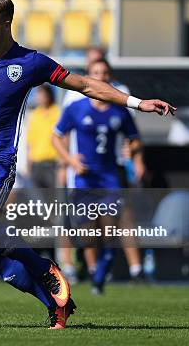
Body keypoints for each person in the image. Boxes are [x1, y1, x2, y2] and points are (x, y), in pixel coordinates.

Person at [0, 0, 175, 329]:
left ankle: (44, 267)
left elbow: (85, 85)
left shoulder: (30, 63)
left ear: (6, 23)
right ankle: (55, 304)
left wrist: (137, 103)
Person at [51, 58, 146, 294]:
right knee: (87, 231)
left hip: (109, 177)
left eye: (104, 73)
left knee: (110, 228)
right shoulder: (76, 107)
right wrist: (71, 160)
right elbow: (56, 137)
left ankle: (103, 272)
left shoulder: (119, 110)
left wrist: (132, 150)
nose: (101, 77)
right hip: (83, 178)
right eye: (96, 73)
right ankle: (95, 273)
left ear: (110, 77)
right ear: (90, 76)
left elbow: (135, 139)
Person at [26, 84, 61, 189]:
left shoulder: (57, 112)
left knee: (54, 199)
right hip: (36, 164)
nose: (40, 97)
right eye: (38, 95)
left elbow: (62, 138)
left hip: (53, 164)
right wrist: (29, 164)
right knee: (37, 200)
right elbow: (30, 142)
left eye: (42, 94)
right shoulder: (35, 115)